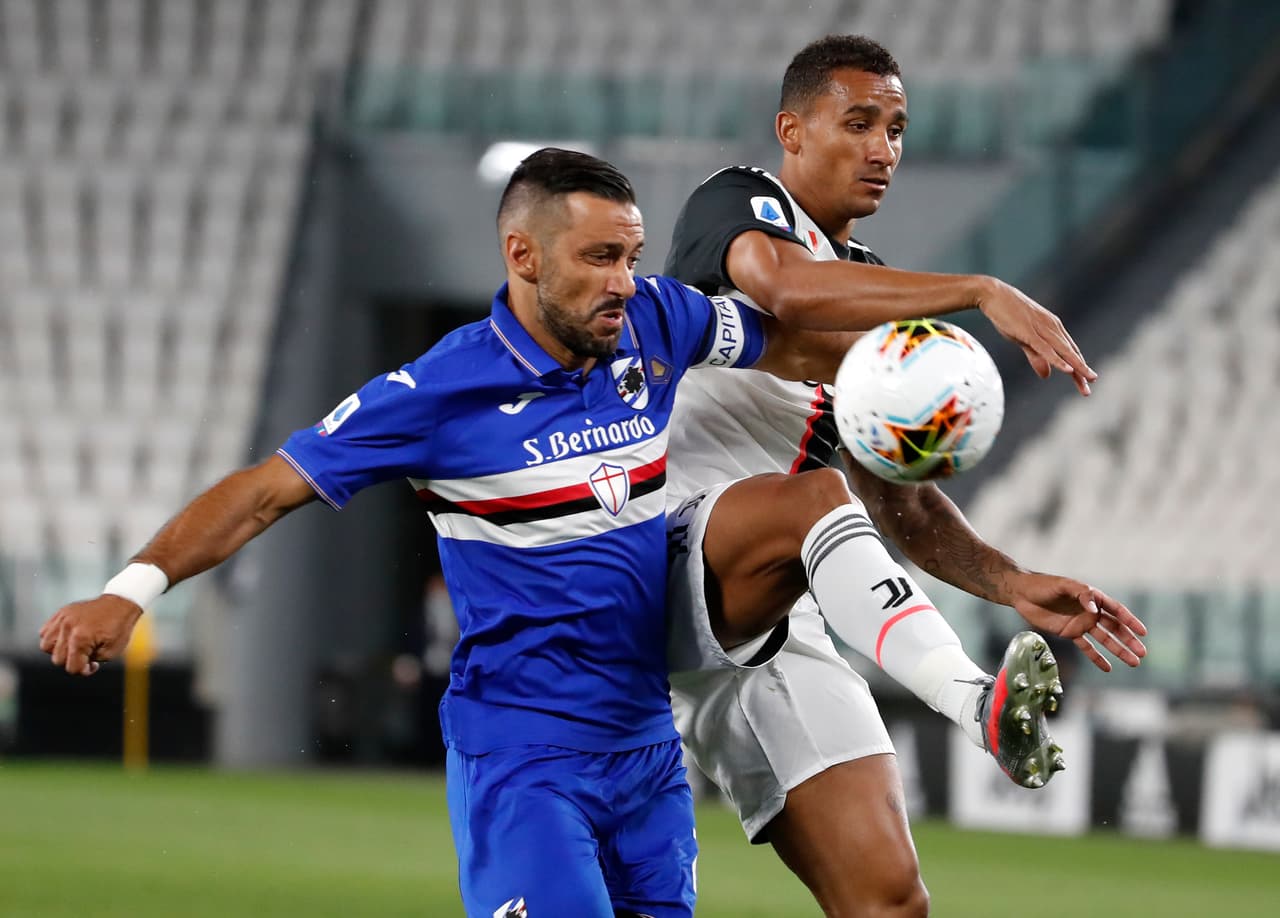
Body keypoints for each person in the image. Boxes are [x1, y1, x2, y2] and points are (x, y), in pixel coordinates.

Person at [36, 148, 836, 918]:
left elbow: (793, 337)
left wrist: (907, 363)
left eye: (630, 255)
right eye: (599, 258)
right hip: (525, 759)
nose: (624, 282)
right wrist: (129, 591)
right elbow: (261, 493)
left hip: (648, 751)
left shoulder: (656, 322)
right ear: (523, 255)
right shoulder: (439, 392)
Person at [659, 35, 1149, 915]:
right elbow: (787, 291)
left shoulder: (874, 289)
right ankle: (976, 705)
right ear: (792, 131)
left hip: (778, 608)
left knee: (890, 900)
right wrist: (980, 289)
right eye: (859, 123)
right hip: (667, 552)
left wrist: (1010, 582)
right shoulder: (736, 203)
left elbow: (900, 499)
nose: (884, 148)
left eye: (897, 128)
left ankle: (978, 704)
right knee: (816, 497)